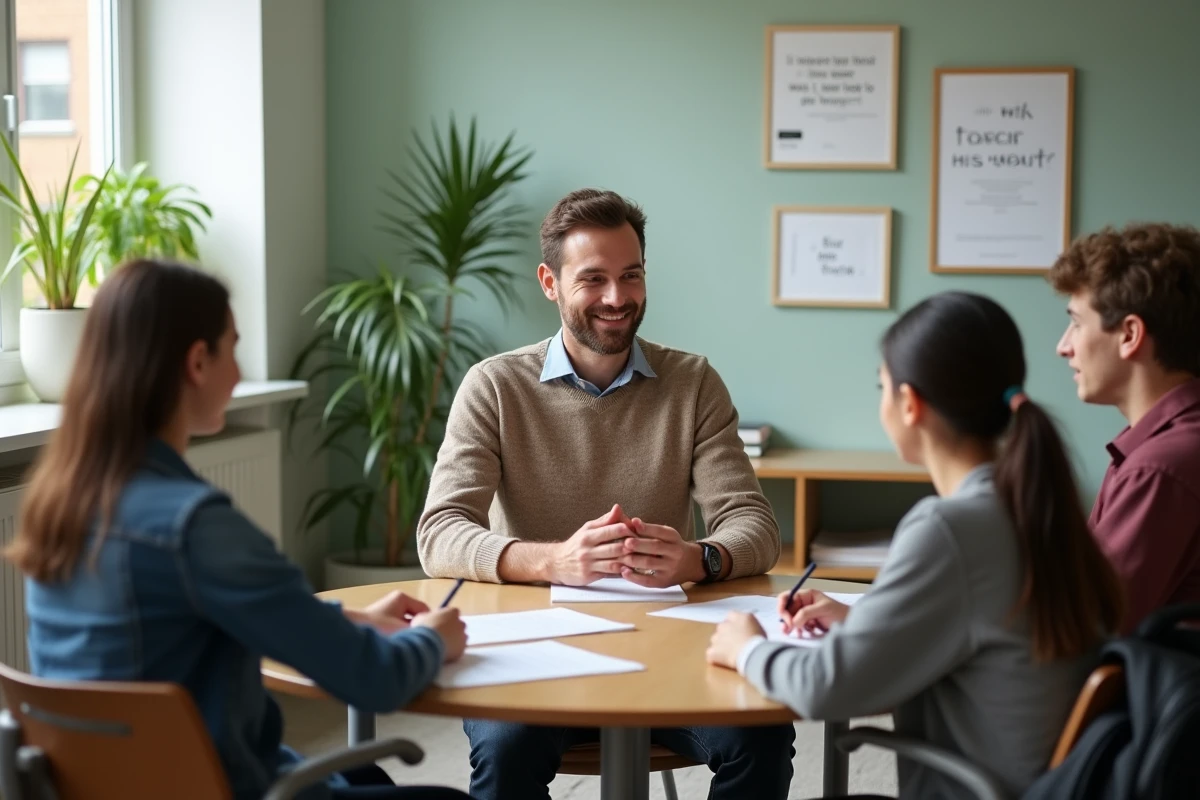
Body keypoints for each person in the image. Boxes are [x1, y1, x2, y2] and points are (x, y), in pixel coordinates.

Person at [4, 261, 472, 800]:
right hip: (223, 785)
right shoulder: (192, 525)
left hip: (118, 785)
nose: (238, 370)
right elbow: (374, 680)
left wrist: (355, 619)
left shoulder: (61, 503)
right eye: (233, 347)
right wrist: (430, 639)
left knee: (365, 776)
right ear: (197, 362)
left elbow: (196, 616)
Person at [417, 189, 794, 799]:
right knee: (505, 749)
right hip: (532, 652)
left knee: (764, 736)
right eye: (593, 279)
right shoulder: (493, 386)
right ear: (550, 283)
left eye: (631, 275)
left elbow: (752, 522)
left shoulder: (693, 382)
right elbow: (440, 533)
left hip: (671, 648)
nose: (618, 297)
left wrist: (699, 558)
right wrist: (554, 560)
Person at [706, 291, 1124, 800]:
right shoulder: (1032, 502)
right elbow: (979, 624)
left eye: (881, 386)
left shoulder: (951, 527)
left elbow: (825, 687)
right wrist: (862, 619)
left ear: (909, 404)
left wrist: (748, 648)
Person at [1049, 222, 1200, 632]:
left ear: (1130, 334)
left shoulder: (1161, 468)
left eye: (1077, 323)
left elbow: (1084, 628)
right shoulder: (1164, 450)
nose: (1064, 346)